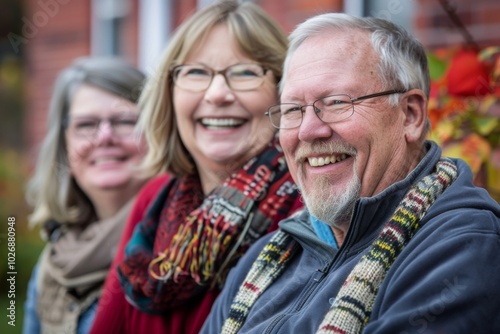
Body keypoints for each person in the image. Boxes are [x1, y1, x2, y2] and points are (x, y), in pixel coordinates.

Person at [201, 12, 500, 334]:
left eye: (335, 102)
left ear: (410, 115)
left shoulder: (463, 245)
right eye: (292, 110)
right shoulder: (263, 260)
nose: (308, 131)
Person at [89, 1, 302, 333]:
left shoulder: (307, 208)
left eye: (245, 72)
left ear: (283, 91)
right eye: (196, 72)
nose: (217, 94)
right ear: (169, 94)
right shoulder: (155, 201)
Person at [22, 57, 149, 334]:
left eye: (125, 121)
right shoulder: (54, 262)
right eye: (86, 125)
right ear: (63, 145)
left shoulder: (179, 250)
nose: (104, 137)